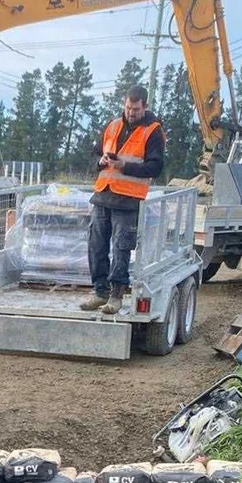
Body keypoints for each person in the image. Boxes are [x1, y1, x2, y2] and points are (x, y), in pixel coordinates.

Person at [82, 85, 165, 314]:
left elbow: (155, 167)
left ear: (144, 106)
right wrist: (101, 162)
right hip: (103, 194)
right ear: (124, 104)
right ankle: (100, 291)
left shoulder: (153, 130)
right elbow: (95, 154)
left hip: (128, 199)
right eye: (128, 107)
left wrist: (124, 166)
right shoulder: (113, 125)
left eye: (135, 109)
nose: (131, 113)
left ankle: (116, 295)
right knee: (96, 245)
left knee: (121, 247)